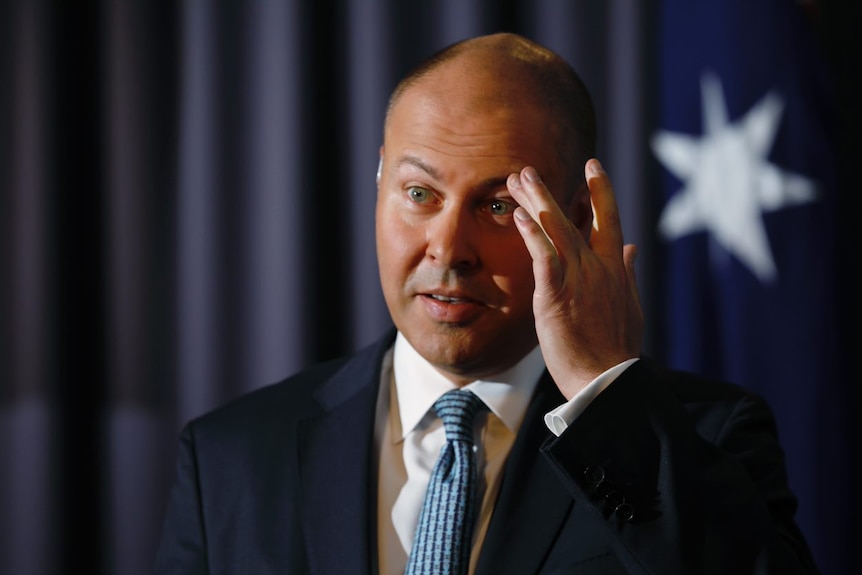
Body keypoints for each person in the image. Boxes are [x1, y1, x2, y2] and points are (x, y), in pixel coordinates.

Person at [154, 32, 819, 574]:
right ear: (380, 179)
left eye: (498, 206)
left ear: (580, 219)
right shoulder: (229, 460)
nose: (448, 248)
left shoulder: (709, 436)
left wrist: (601, 391)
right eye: (419, 194)